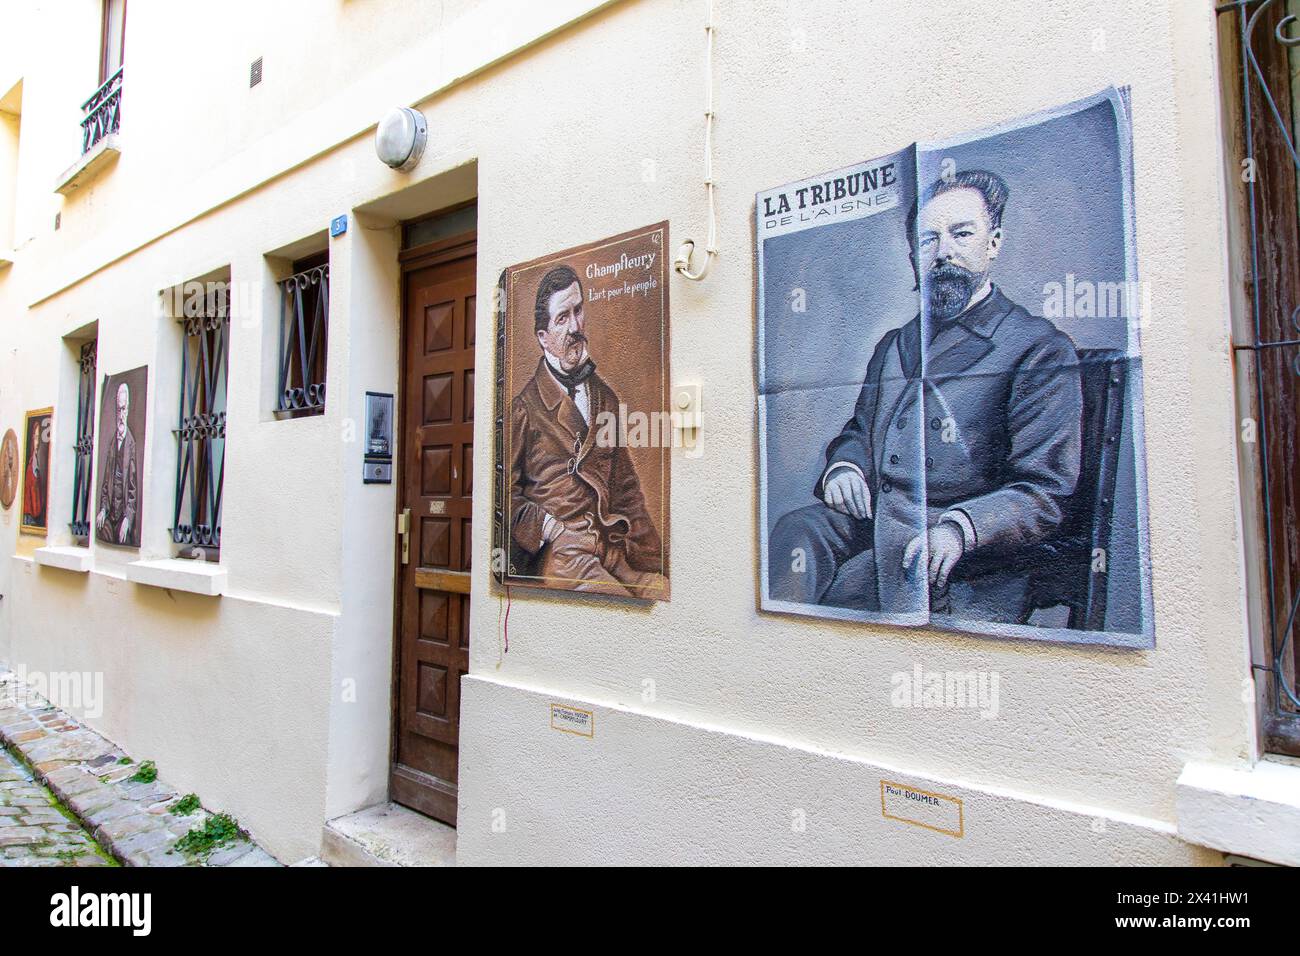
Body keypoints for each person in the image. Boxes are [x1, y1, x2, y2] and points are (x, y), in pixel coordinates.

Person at [770, 170, 1083, 622]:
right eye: (929, 239)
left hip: (960, 549)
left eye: (961, 234)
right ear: (915, 254)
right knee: (796, 531)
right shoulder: (894, 344)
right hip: (878, 520)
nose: (944, 252)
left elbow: (1043, 492)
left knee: (846, 598)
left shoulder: (1038, 348)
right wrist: (846, 467)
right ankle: (777, 660)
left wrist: (962, 529)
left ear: (992, 243)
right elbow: (859, 431)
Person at [508, 265, 665, 598]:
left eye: (578, 311)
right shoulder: (524, 409)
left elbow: (626, 489)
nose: (576, 327)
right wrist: (550, 529)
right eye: (562, 318)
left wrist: (656, 562)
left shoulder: (604, 397)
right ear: (543, 338)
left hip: (613, 547)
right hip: (565, 554)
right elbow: (504, 494)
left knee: (658, 590)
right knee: (623, 611)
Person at [97, 382, 138, 545]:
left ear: (128, 410)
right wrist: (102, 509)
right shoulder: (113, 443)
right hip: (110, 513)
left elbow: (133, 489)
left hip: (122, 516)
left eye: (124, 409)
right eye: (118, 409)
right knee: (102, 530)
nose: (121, 415)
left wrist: (128, 518)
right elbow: (106, 483)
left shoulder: (131, 444)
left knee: (124, 538)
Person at [22, 419, 44, 526]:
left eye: (38, 438)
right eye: (35, 438)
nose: (38, 442)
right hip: (30, 516)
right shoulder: (31, 465)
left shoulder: (36, 462)